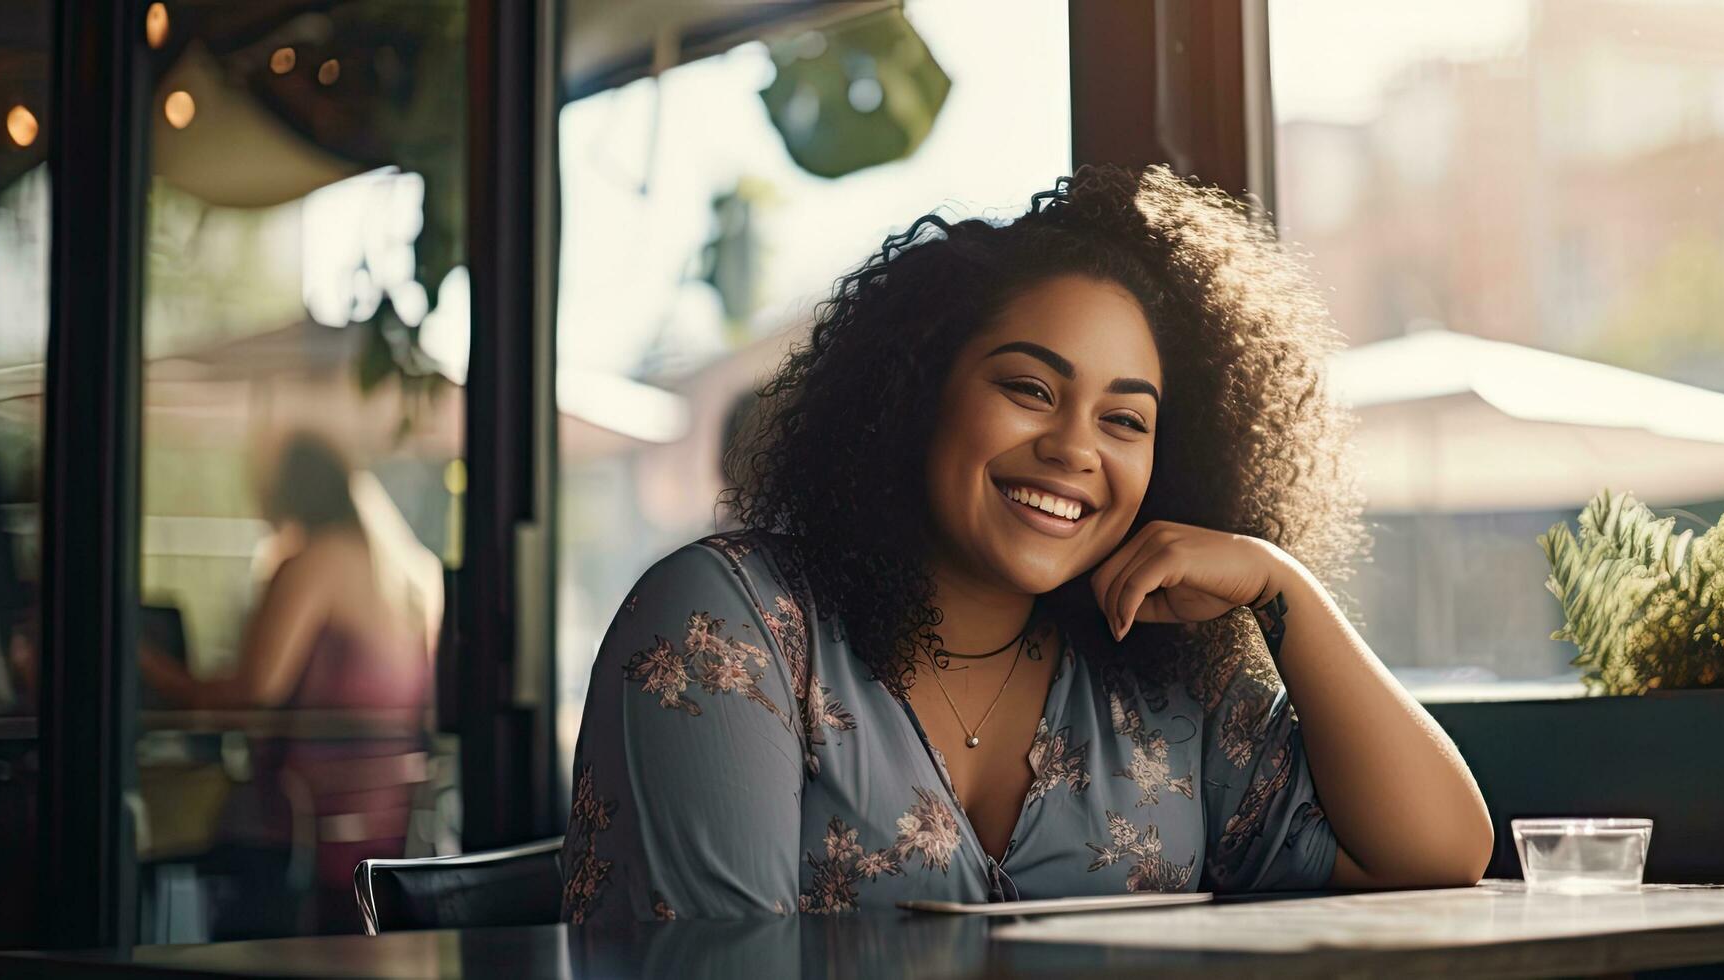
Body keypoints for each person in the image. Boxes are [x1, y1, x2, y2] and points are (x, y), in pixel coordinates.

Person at [562, 165, 1492, 925]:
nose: (1075, 449)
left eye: (1125, 418)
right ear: (917, 391)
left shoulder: (1163, 682)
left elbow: (1436, 854)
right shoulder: (733, 627)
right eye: (1029, 389)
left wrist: (1278, 586)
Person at [141, 432, 434, 933]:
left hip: (305, 828)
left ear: (286, 490)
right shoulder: (404, 572)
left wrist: (142, 662)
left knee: (138, 827)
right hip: (390, 823)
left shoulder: (314, 563)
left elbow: (253, 694)